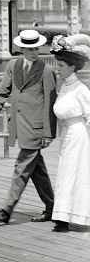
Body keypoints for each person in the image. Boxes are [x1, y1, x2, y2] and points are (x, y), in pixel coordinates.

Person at [0, 28, 57, 225]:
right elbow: (1, 93)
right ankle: (53, 208)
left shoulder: (47, 71)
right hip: (18, 126)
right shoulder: (12, 66)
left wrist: (49, 133)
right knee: (37, 171)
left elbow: (50, 103)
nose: (35, 52)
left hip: (36, 130)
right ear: (22, 48)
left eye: (37, 48)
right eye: (30, 49)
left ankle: (7, 209)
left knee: (21, 168)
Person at [47, 33, 90, 232]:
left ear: (72, 67)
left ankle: (69, 217)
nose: (57, 69)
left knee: (75, 174)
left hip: (79, 136)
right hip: (67, 135)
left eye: (61, 66)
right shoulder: (65, 87)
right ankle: (62, 216)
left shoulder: (81, 90)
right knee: (65, 174)